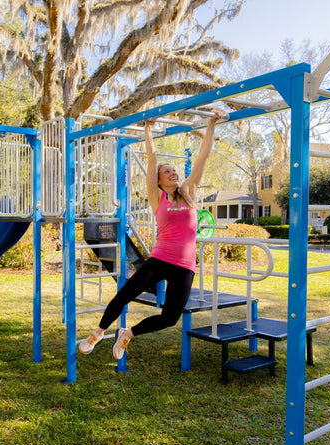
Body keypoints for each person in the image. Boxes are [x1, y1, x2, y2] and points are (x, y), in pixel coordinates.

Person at [78, 110, 224, 360]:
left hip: (185, 267)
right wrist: (148, 129)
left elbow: (203, 157)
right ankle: (99, 332)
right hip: (159, 260)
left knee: (170, 318)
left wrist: (211, 124)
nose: (173, 173)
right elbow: (152, 159)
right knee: (124, 295)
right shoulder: (158, 197)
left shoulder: (189, 192)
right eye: (167, 172)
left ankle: (128, 334)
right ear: (158, 181)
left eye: (174, 171)